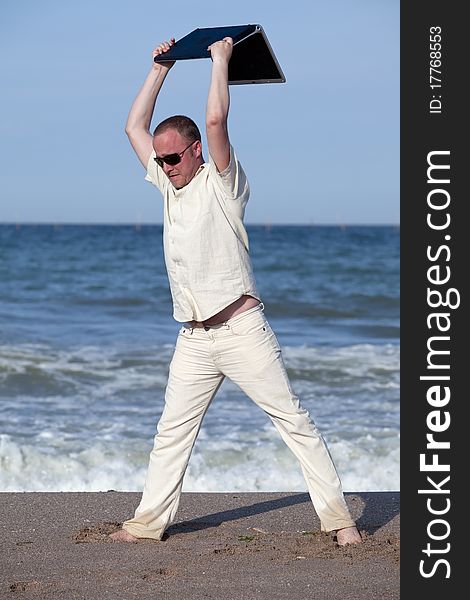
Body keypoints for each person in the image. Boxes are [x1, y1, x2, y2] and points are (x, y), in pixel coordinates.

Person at [110, 36, 362, 546]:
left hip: (242, 329)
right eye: (159, 161)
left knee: (292, 420)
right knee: (170, 434)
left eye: (173, 158)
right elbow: (132, 127)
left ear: (195, 150)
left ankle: (340, 521)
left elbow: (218, 121)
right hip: (194, 339)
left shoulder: (222, 182)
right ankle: (146, 525)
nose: (165, 167)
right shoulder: (166, 186)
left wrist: (219, 61)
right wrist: (161, 66)